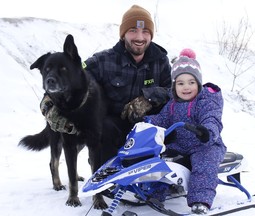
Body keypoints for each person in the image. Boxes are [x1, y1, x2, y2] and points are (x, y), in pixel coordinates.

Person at [40, 5, 171, 166]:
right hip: (111, 130)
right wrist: (48, 106)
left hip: (146, 127)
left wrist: (148, 97)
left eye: (145, 32)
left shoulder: (161, 61)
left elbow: (172, 92)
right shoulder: (102, 61)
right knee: (104, 126)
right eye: (133, 31)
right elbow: (71, 79)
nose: (139, 37)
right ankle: (104, 176)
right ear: (123, 34)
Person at [145, 49, 227, 215]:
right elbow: (161, 120)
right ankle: (156, 192)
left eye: (191, 82)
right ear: (174, 86)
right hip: (180, 145)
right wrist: (146, 123)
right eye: (180, 83)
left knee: (204, 164)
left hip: (205, 143)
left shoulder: (206, 100)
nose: (186, 87)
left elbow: (212, 118)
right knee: (163, 160)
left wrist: (207, 131)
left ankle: (200, 199)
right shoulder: (172, 104)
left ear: (198, 83)